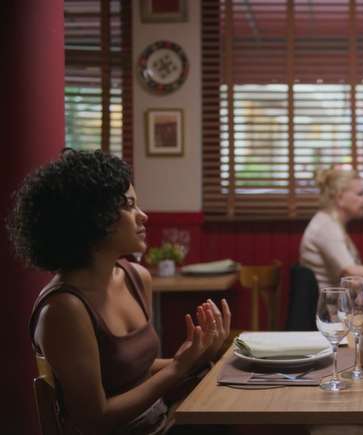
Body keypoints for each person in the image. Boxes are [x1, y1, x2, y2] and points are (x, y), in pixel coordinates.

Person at [9, 149, 231, 434]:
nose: (143, 216)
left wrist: (195, 358)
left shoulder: (136, 278)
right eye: (128, 206)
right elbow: (94, 419)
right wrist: (177, 369)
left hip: (161, 424)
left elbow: (134, 372)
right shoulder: (64, 310)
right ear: (92, 216)